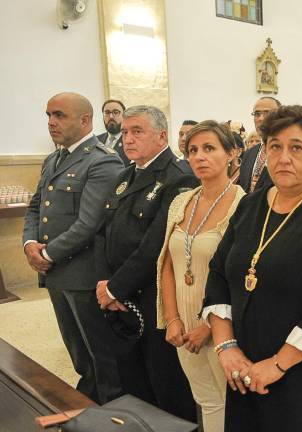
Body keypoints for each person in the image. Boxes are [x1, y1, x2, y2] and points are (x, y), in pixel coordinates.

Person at [202, 105, 302, 431]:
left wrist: (278, 364)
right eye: (275, 146)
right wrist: (226, 347)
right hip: (247, 367)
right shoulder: (251, 204)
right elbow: (219, 272)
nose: (284, 157)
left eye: (296, 147)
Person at [94, 105, 198, 421]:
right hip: (120, 299)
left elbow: (156, 246)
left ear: (162, 136)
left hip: (155, 300)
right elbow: (103, 234)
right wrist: (107, 287)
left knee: (166, 387)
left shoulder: (178, 178)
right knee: (134, 384)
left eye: (137, 131)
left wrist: (115, 288)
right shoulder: (125, 176)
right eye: (125, 132)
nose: (128, 138)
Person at [22, 92, 124, 404]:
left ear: (84, 120)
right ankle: (89, 403)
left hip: (83, 274)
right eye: (49, 115)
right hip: (55, 273)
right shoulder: (54, 158)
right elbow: (37, 206)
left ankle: (113, 410)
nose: (51, 122)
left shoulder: (102, 160)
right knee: (78, 352)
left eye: (59, 115)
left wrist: (47, 255)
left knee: (101, 355)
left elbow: (88, 223)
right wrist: (29, 243)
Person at [157, 121, 245, 432]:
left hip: (225, 326)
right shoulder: (182, 201)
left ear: (231, 153)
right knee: (206, 400)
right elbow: (167, 263)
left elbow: (242, 276)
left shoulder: (244, 204)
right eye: (193, 150)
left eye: (209, 148)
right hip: (184, 323)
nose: (199, 157)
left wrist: (209, 327)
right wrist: (173, 319)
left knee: (233, 404)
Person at [238, 96, 280, 193]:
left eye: (267, 113)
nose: (261, 119)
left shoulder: (287, 153)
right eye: (257, 114)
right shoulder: (249, 154)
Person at [97, 99, 130, 165]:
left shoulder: (131, 140)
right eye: (107, 112)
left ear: (124, 116)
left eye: (116, 112)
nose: (111, 117)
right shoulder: (96, 140)